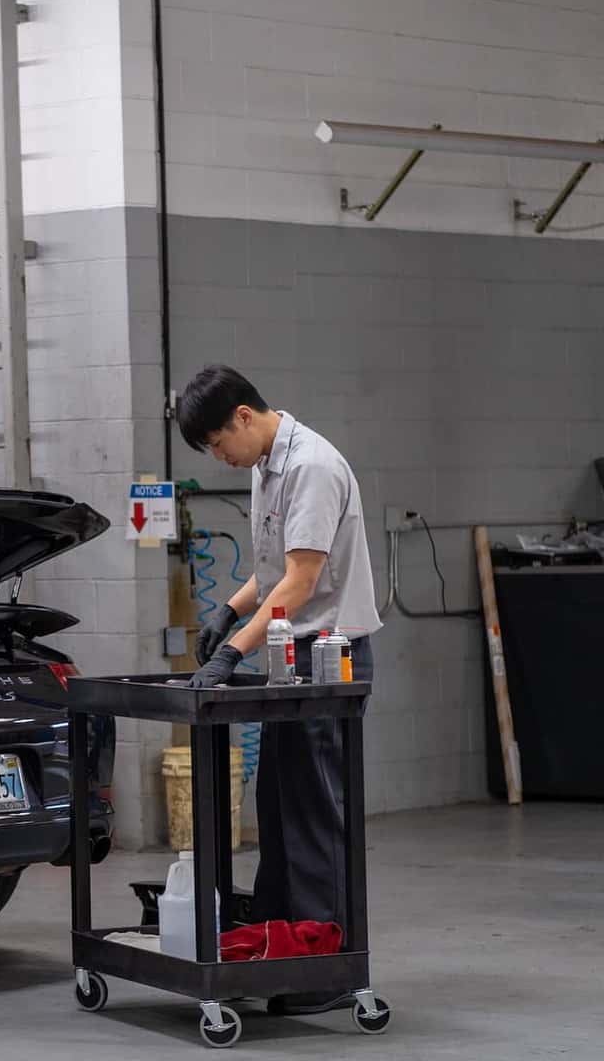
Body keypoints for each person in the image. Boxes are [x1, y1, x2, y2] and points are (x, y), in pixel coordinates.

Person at [179, 365, 382, 1016]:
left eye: (216, 444)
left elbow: (301, 579)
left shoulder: (313, 466)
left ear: (242, 416)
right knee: (281, 808)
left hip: (329, 659)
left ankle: (323, 971)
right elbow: (271, 571)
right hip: (287, 655)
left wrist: (232, 651)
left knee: (316, 815)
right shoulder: (268, 464)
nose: (219, 458)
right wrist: (230, 611)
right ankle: (279, 952)